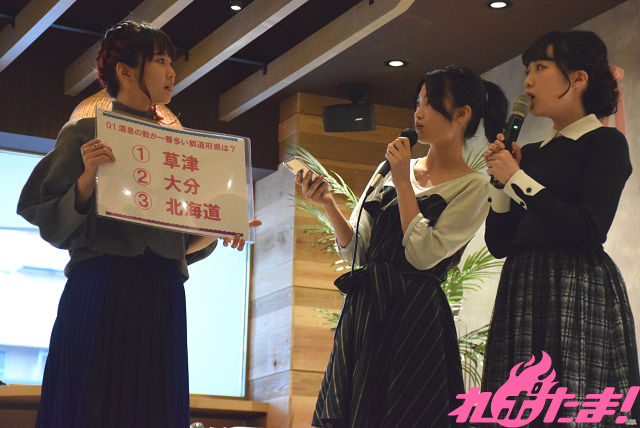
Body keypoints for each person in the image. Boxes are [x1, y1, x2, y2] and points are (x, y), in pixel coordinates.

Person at [17, 21, 260, 428]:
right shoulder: (86, 132)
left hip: (161, 293)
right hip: (101, 285)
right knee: (90, 404)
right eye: (160, 61)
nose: (171, 72)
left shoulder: (180, 146)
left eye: (171, 63)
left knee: (153, 409)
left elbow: (178, 244)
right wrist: (87, 176)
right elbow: (45, 214)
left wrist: (220, 227)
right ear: (125, 71)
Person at [297, 65, 508, 427]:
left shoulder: (473, 186)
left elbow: (423, 254)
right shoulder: (393, 169)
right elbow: (357, 250)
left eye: (430, 103)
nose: (418, 113)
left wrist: (403, 182)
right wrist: (328, 204)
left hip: (415, 313)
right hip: (367, 308)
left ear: (461, 114)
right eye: (417, 102)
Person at [482, 30, 639, 425]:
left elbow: (589, 228)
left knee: (570, 406)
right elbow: (499, 243)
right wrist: (500, 183)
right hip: (522, 283)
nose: (528, 81)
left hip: (575, 284)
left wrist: (517, 178)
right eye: (527, 71)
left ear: (579, 78)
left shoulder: (605, 143)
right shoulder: (531, 155)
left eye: (540, 68)